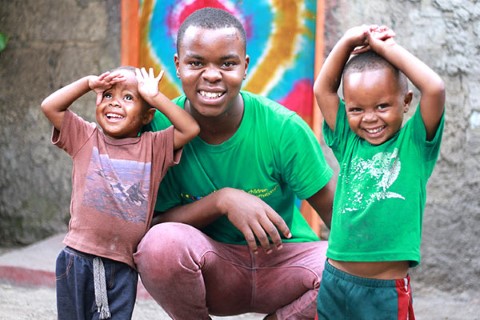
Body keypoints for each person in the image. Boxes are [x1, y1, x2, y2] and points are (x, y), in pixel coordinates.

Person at [133, 7, 335, 320]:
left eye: (227, 63)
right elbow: (151, 230)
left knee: (346, 272)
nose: (211, 75)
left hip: (282, 263)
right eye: (196, 62)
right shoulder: (159, 129)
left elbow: (339, 222)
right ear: (178, 65)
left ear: (244, 67)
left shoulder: (282, 128)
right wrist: (222, 201)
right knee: (159, 247)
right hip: (212, 269)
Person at [40, 66, 199, 319]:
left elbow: (190, 128)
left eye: (128, 98)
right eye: (107, 95)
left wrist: (154, 96)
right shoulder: (86, 137)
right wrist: (88, 82)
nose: (114, 104)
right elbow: (50, 106)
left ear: (147, 116)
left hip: (122, 265)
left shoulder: (153, 147)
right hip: (76, 259)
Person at [313, 24, 445, 319]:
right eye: (357, 109)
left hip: (385, 292)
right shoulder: (348, 141)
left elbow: (434, 87)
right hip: (335, 282)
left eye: (383, 106)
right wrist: (346, 41)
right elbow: (322, 89)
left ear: (406, 102)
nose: (370, 118)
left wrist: (388, 50)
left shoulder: (414, 144)